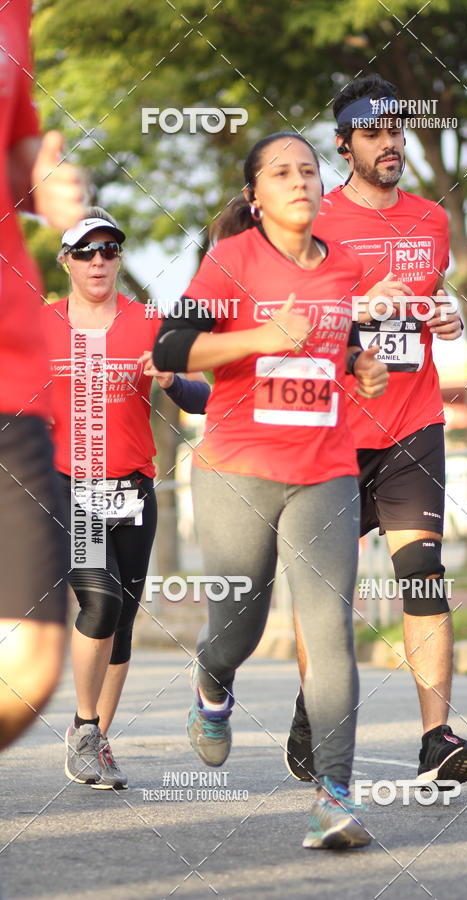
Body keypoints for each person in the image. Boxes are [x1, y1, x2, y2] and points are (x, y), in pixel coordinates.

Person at [153, 132, 389, 849]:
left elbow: (332, 345)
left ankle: (333, 795)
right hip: (237, 470)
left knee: (329, 630)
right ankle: (212, 685)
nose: (300, 181)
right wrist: (262, 336)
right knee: (239, 629)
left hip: (326, 470)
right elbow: (170, 349)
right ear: (255, 195)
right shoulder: (231, 260)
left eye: (310, 171)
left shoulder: (346, 266)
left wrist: (362, 366)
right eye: (282, 172)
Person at [285, 75, 467, 787]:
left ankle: (438, 739)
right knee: (326, 596)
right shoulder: (316, 222)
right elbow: (294, 324)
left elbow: (432, 297)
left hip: (412, 425)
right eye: (373, 132)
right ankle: (315, 706)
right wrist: (360, 309)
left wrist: (447, 317)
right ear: (344, 145)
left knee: (422, 579)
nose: (390, 141)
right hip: (332, 433)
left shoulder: (432, 219)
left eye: (396, 129)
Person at [42, 207, 210, 788]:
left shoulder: (149, 322)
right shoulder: (43, 326)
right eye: (86, 251)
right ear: (66, 261)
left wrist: (171, 380)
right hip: (69, 486)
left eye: (109, 250)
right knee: (102, 600)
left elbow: (202, 396)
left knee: (123, 623)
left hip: (134, 489)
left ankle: (94, 742)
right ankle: (85, 728)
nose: (98, 261)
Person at [0, 0, 86, 751]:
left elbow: (16, 149)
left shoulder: (13, 15)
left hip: (9, 357)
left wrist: (42, 179)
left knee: (31, 659)